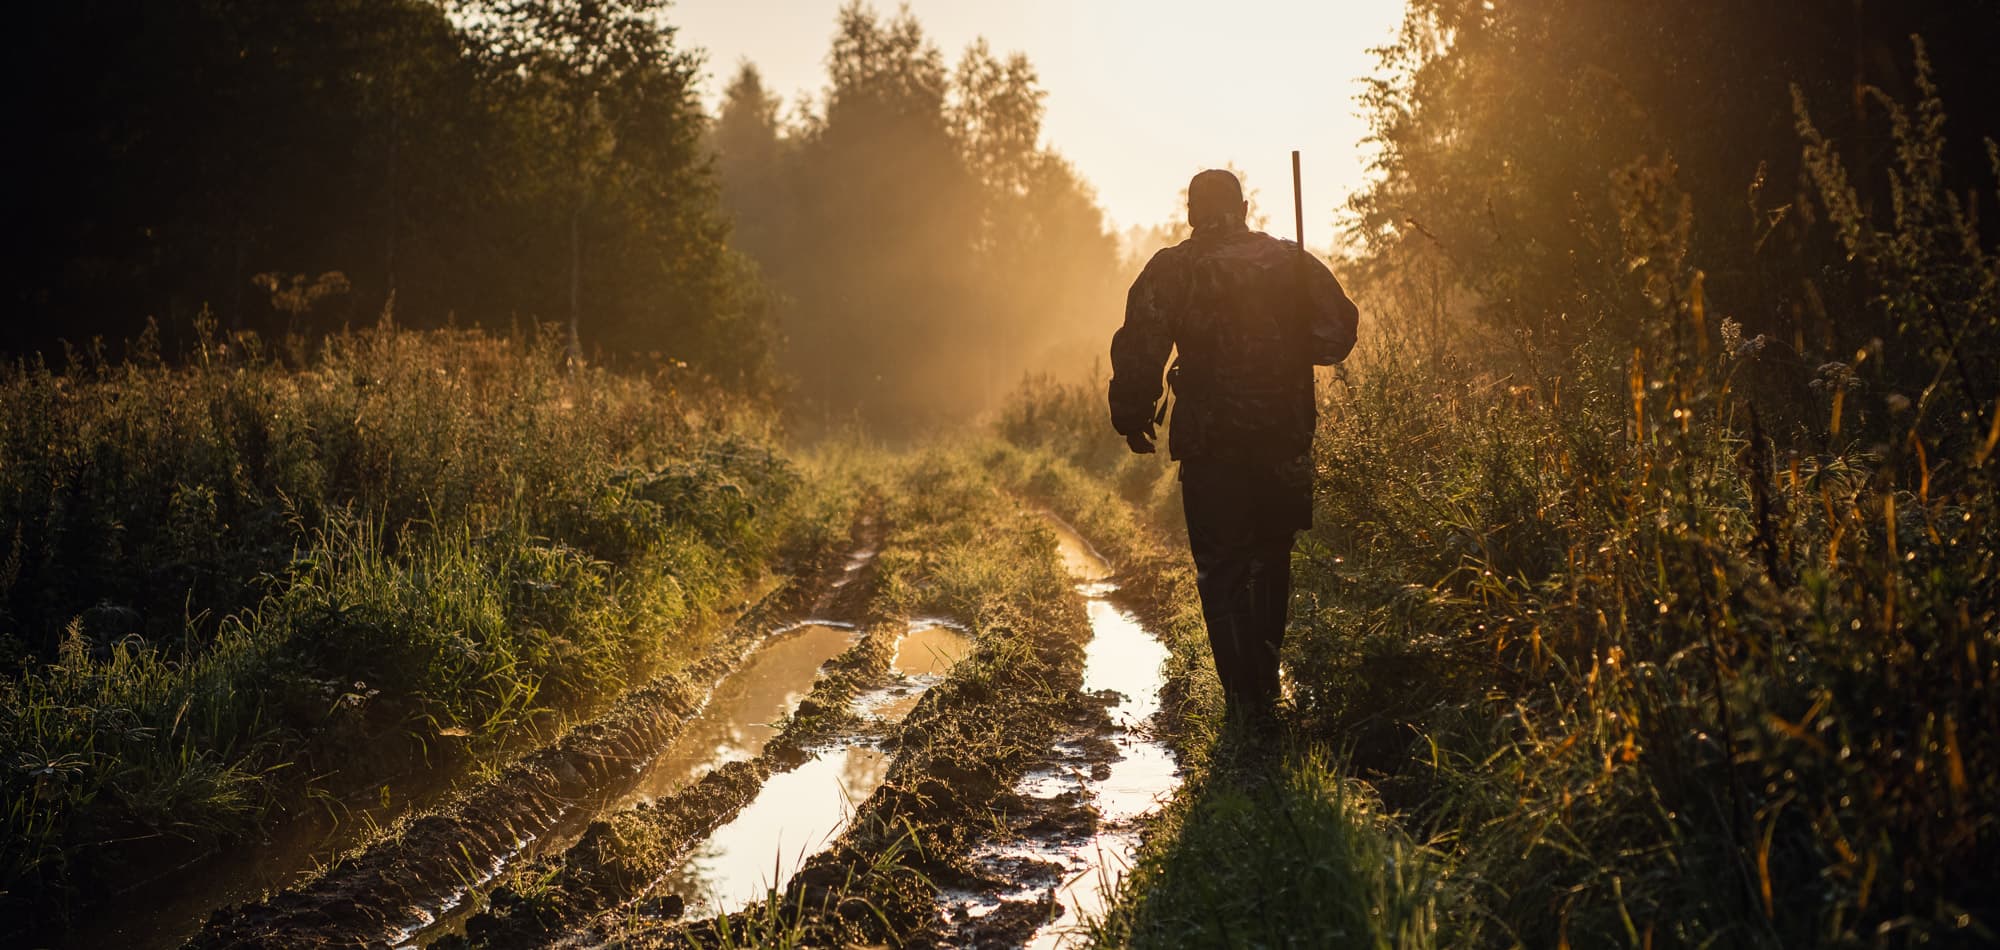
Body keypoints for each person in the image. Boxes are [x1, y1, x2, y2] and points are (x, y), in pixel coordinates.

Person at [1109, 168, 1359, 733]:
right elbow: (1337, 336)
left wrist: (1131, 414)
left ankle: (1241, 704)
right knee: (1271, 558)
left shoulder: (1174, 267)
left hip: (1211, 442)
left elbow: (1142, 344)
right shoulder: (1290, 261)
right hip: (1283, 436)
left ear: (1193, 211)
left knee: (1220, 565)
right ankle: (1266, 690)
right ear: (1243, 207)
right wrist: (1290, 332)